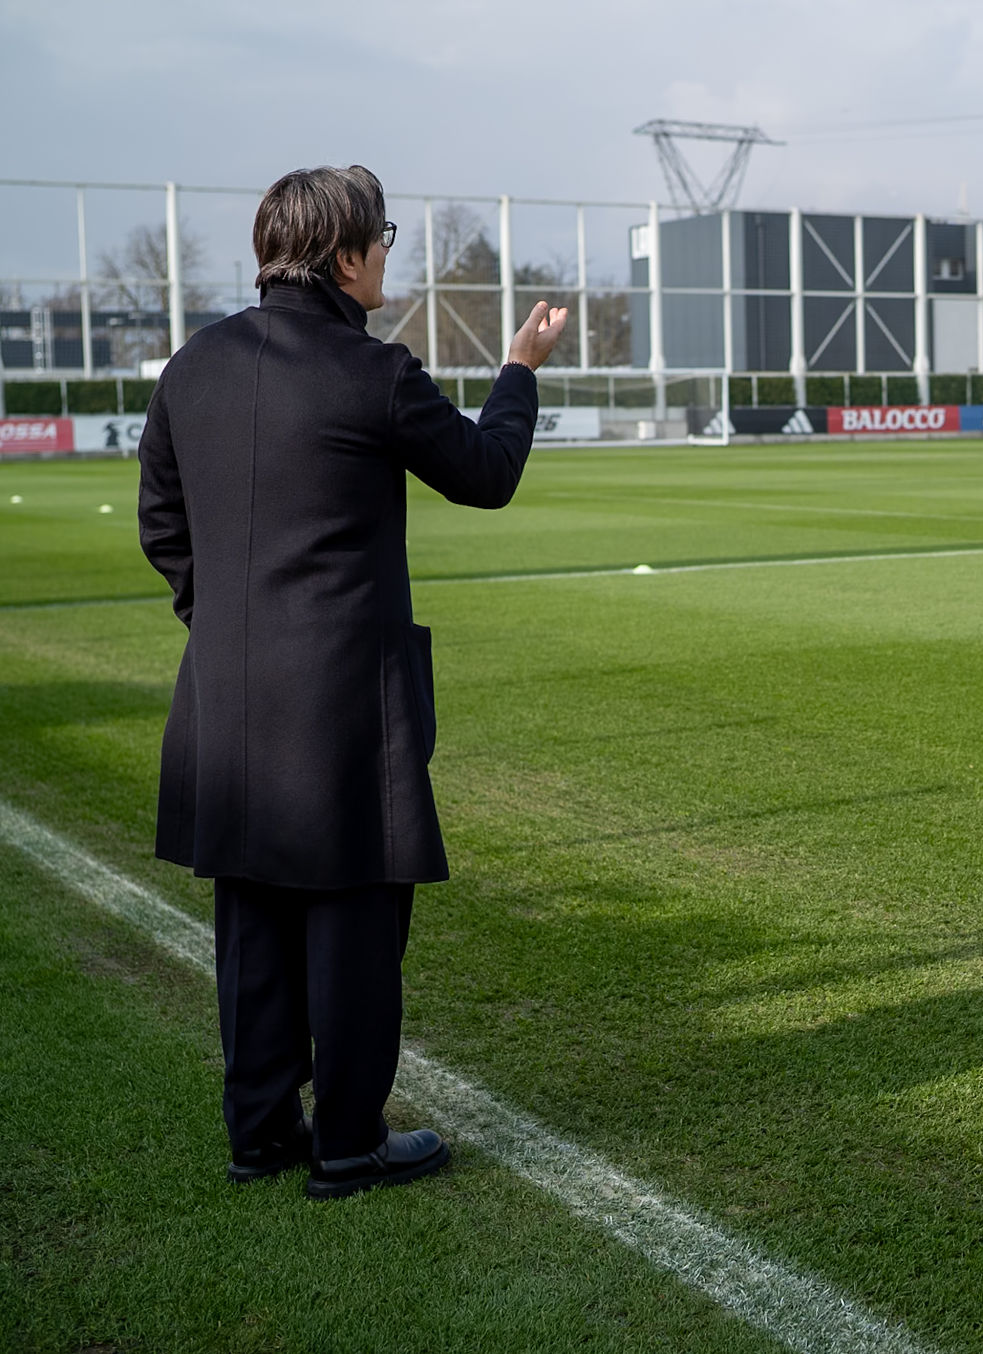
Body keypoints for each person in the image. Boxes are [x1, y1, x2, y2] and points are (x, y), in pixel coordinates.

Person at [137, 165, 568, 1198]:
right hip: (340, 704)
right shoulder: (370, 371)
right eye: (380, 242)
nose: (388, 258)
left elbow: (162, 522)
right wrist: (518, 367)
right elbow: (486, 471)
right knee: (355, 928)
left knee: (252, 923)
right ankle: (347, 1145)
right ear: (342, 257)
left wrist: (227, 621)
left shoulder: (191, 366)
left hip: (227, 698)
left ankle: (259, 1135)